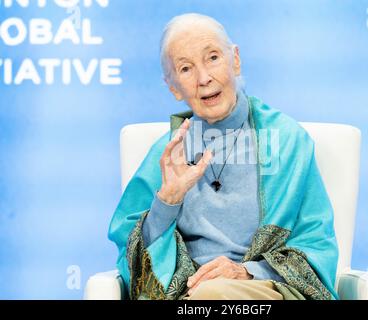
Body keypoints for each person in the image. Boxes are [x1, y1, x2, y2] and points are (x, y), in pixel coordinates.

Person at [108, 13, 339, 300]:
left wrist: (248, 272)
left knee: (215, 295)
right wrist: (167, 201)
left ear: (236, 60)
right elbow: (140, 271)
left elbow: (315, 243)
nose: (204, 78)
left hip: (266, 290)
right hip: (187, 295)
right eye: (185, 69)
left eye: (213, 58)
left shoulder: (286, 140)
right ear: (173, 87)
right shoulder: (168, 153)